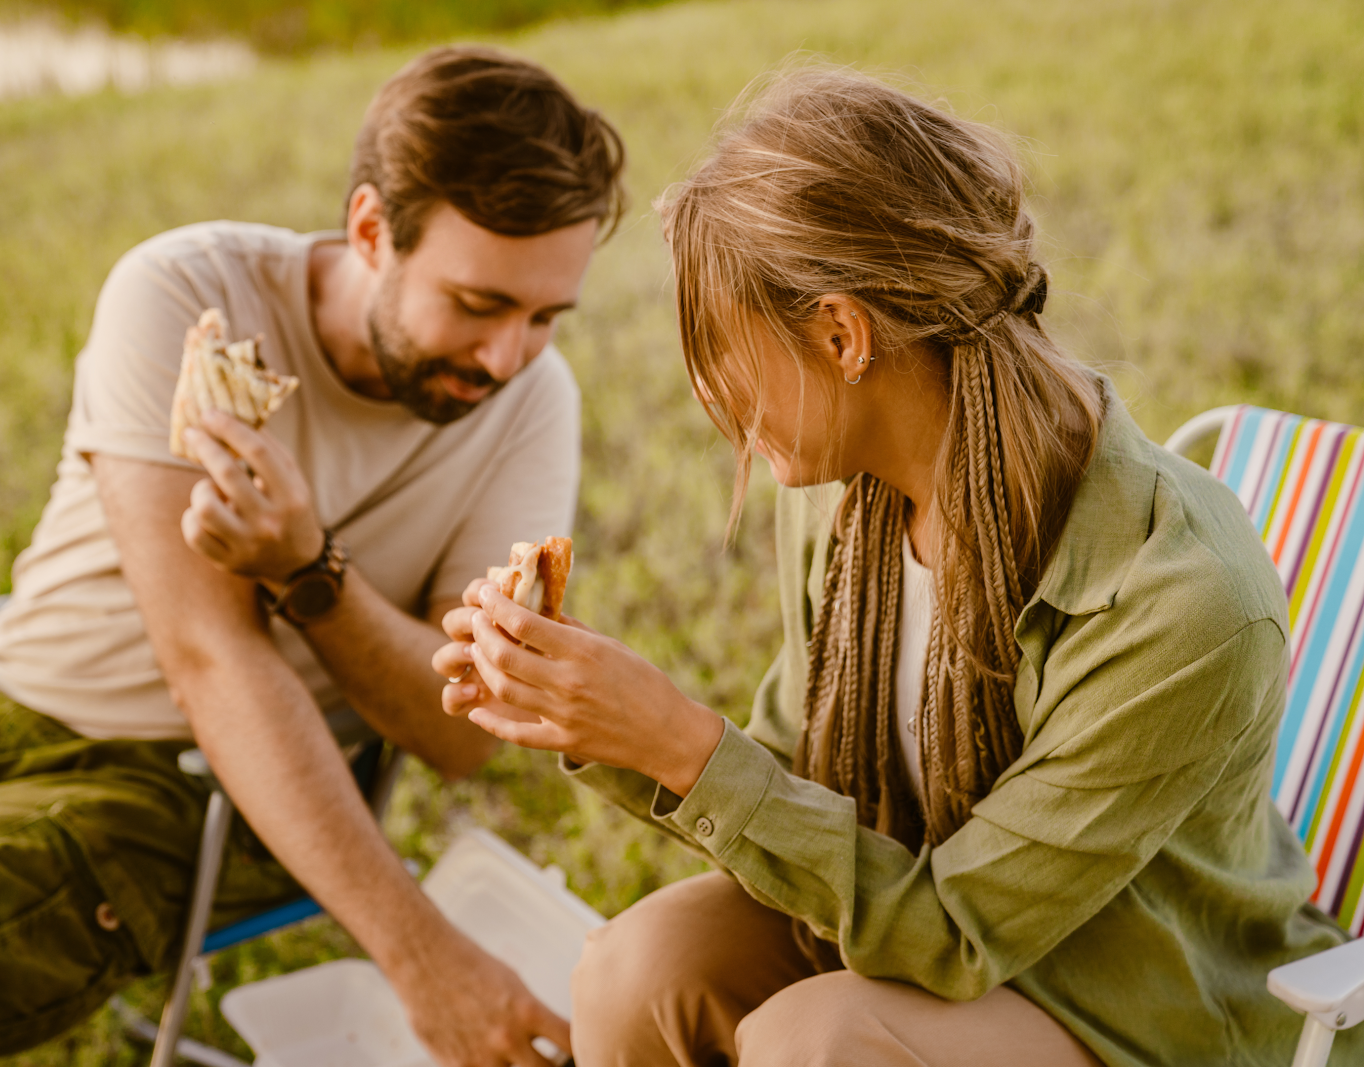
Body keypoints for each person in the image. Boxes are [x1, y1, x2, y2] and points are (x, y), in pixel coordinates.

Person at [435, 67, 1357, 1066]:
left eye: (723, 350)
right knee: (636, 967)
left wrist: (683, 742)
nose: (711, 392)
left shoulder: (1177, 600)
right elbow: (794, 783)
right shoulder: (846, 497)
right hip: (917, 922)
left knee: (815, 1038)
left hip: (1140, 1006)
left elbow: (959, 929)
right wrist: (597, 716)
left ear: (841, 334)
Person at [0, 46, 622, 1067]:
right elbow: (197, 638)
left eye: (542, 317)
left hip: (179, 793)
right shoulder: (186, 287)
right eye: (479, 304)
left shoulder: (533, 405)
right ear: (368, 230)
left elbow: (459, 737)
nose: (505, 356)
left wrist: (311, 571)